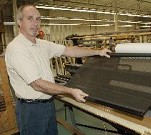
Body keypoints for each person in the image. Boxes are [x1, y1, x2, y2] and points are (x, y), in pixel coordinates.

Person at [5, 4, 111, 135]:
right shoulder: (17, 48)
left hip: (48, 104)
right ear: (19, 22)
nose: (35, 23)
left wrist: (97, 52)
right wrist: (70, 91)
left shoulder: (42, 44)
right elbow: (37, 84)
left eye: (38, 19)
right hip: (31, 109)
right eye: (30, 18)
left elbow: (69, 50)